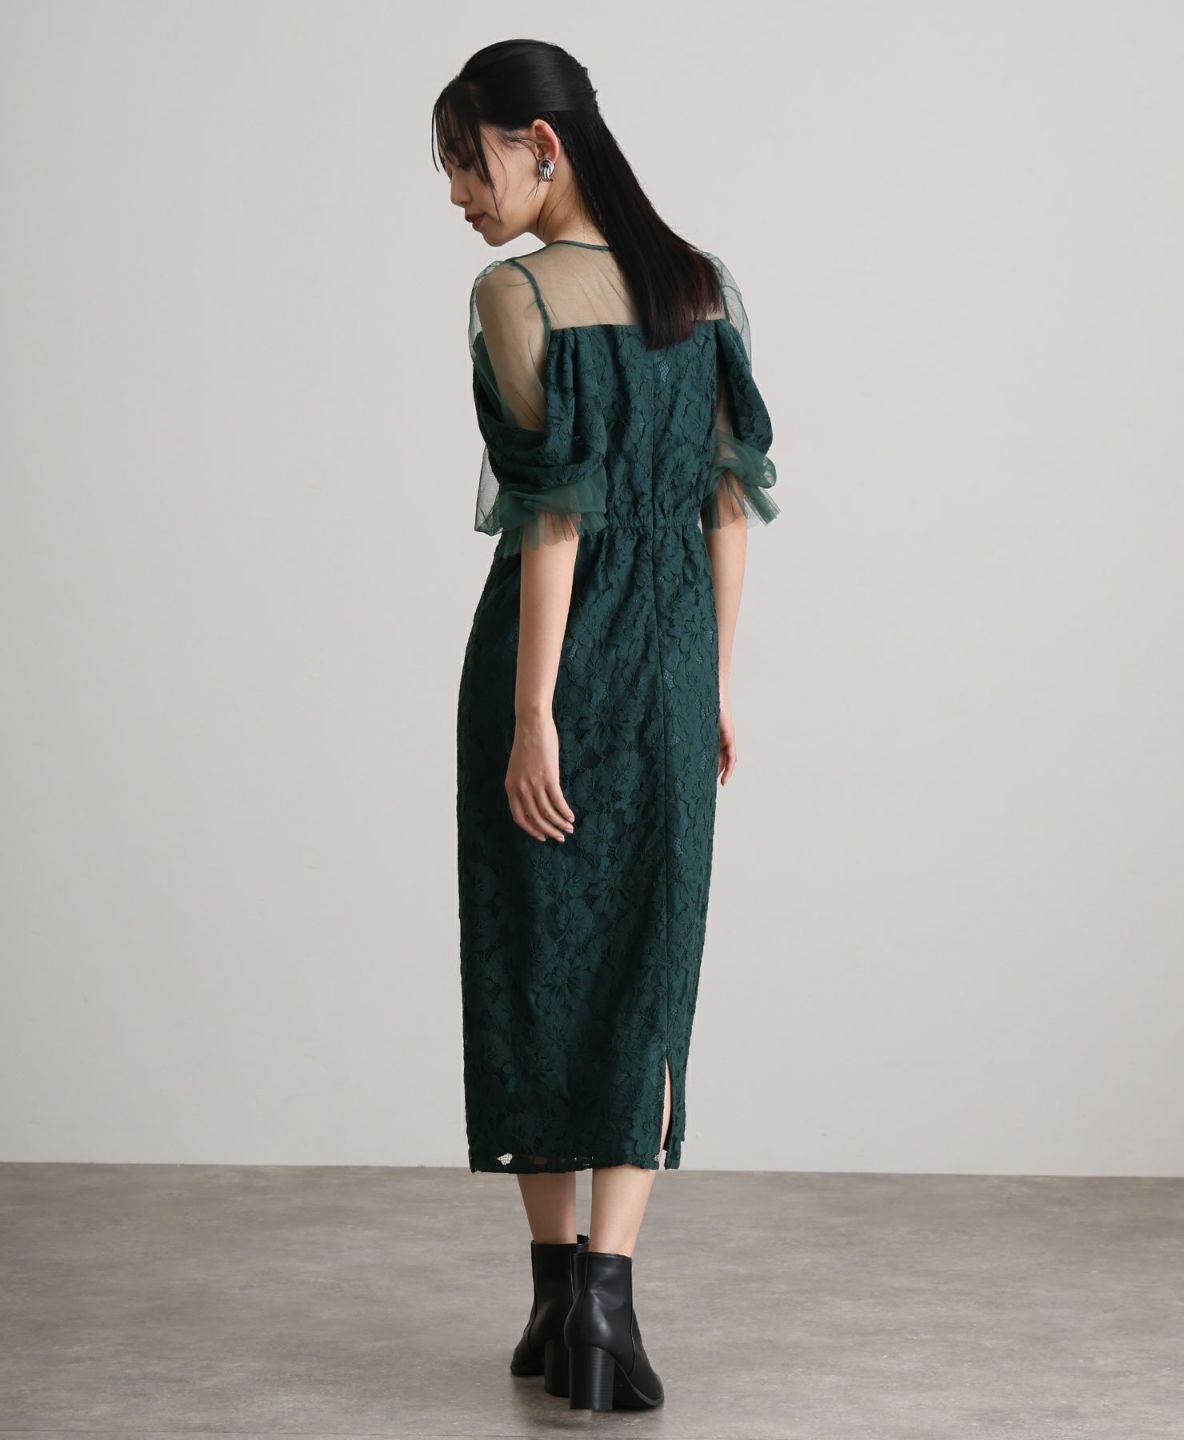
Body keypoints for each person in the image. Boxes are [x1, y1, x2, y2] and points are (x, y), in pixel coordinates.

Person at [433, 38, 779, 1413]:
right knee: (650, 960)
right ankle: (605, 1308)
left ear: (542, 146)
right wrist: (715, 686)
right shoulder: (704, 286)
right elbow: (730, 503)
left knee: (534, 957)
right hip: (672, 660)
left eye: (468, 163)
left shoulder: (512, 296)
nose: (459, 195)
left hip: (552, 664)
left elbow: (553, 523)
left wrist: (533, 715)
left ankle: (554, 1293)